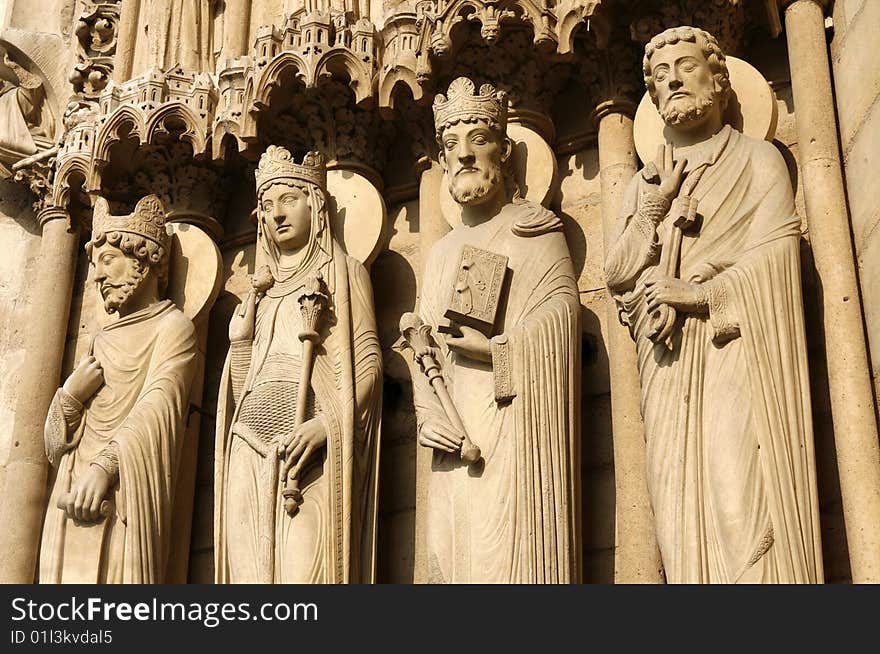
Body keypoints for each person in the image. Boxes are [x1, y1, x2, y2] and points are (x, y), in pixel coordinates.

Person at [604, 26, 823, 583]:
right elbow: (618, 274)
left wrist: (699, 294)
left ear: (720, 80)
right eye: (659, 75)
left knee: (740, 505)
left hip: (735, 353)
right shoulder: (642, 184)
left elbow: (779, 258)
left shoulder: (757, 160)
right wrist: (655, 207)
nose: (672, 79)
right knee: (678, 524)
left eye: (686, 65)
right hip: (667, 366)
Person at [413, 77, 581, 583]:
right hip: (452, 431)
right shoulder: (441, 254)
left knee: (502, 559)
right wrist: (426, 411)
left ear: (504, 152)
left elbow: (564, 319)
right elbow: (425, 350)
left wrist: (497, 349)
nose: (463, 155)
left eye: (477, 140)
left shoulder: (533, 230)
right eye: (450, 145)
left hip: (512, 429)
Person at [215, 147, 382, 583]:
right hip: (247, 443)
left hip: (306, 442)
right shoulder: (262, 293)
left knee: (304, 576)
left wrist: (328, 423)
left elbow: (367, 365)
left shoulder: (344, 273)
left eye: (288, 199)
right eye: (266, 206)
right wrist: (240, 343)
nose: (275, 214)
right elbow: (242, 386)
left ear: (316, 203)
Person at [39, 195, 198, 583]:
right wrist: (70, 396)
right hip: (72, 493)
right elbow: (53, 449)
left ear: (143, 261)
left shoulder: (173, 328)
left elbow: (158, 407)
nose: (96, 277)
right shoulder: (98, 341)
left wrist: (104, 467)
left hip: (124, 493)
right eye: (94, 265)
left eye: (107, 261)